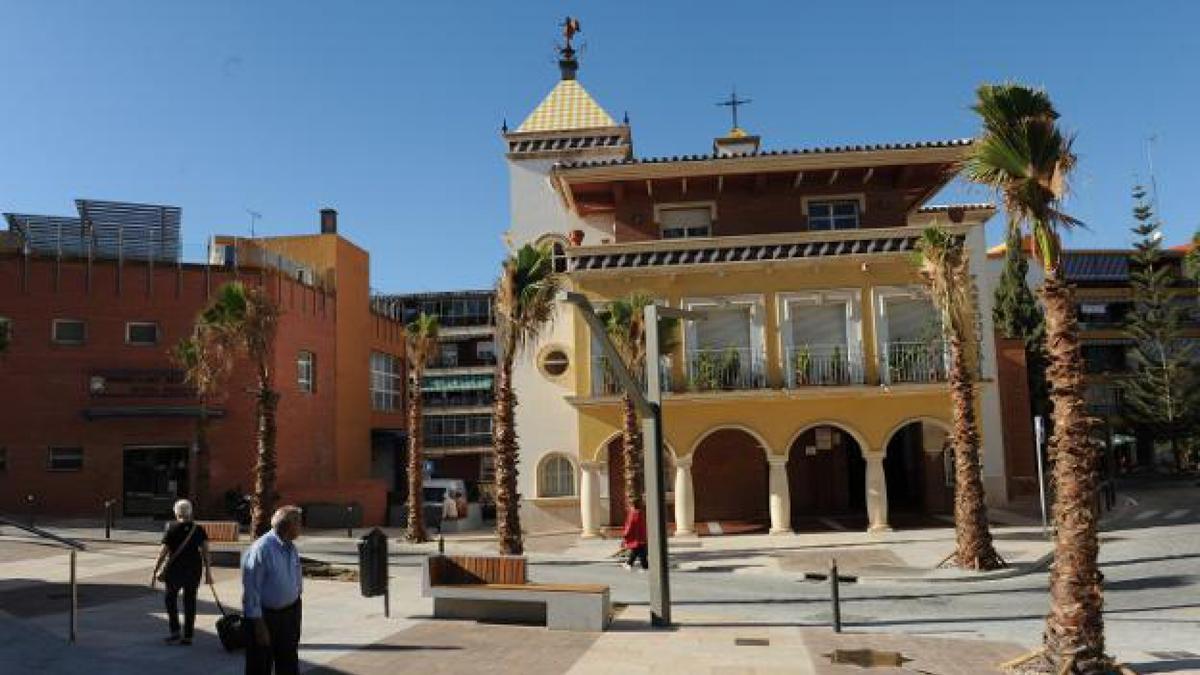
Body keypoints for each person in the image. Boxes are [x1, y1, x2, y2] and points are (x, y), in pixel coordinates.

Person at [242, 506, 303, 675]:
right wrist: (259, 625)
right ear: (288, 526)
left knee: (289, 662)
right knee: (260, 665)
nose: (301, 527)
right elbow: (251, 590)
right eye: (299, 523)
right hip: (266, 617)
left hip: (290, 614)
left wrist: (296, 603)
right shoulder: (262, 549)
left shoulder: (291, 547)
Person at [150, 499, 213, 646]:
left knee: (170, 599)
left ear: (176, 512)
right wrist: (208, 573)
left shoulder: (171, 528)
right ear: (190, 512)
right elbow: (206, 552)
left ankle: (175, 631)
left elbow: (163, 553)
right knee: (190, 600)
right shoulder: (198, 529)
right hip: (194, 569)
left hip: (175, 570)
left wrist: (155, 570)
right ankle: (188, 636)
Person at [621, 498, 648, 571]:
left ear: (632, 505)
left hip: (635, 535)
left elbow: (630, 524)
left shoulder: (633, 513)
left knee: (637, 549)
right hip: (641, 534)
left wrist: (625, 534)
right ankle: (641, 565)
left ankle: (631, 564)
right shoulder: (641, 512)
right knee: (639, 550)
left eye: (629, 504)